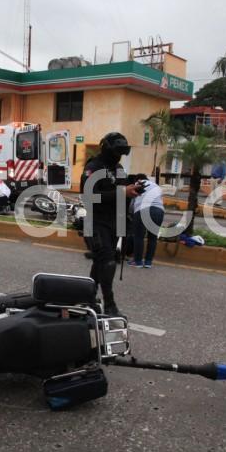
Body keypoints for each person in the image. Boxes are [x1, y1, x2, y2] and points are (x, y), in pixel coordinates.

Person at [81, 132, 141, 317]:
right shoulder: (93, 167)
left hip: (114, 222)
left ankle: (87, 298)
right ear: (107, 149)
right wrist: (122, 192)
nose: (118, 156)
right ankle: (110, 305)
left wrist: (133, 190)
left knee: (100, 262)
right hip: (95, 222)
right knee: (107, 261)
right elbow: (88, 196)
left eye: (122, 153)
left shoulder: (119, 168)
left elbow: (123, 192)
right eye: (116, 152)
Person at [128, 173, 164, 269]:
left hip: (142, 209)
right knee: (152, 237)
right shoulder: (156, 186)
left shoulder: (137, 184)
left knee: (139, 236)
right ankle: (148, 262)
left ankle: (138, 261)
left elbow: (132, 205)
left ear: (137, 179)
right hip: (158, 211)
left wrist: (131, 214)